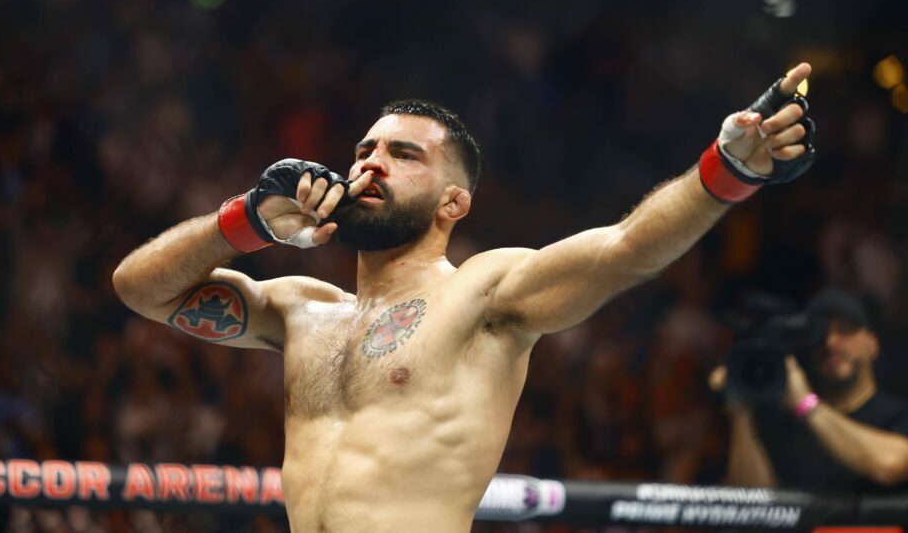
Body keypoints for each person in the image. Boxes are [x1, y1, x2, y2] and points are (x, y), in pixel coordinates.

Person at [114, 65, 816, 532]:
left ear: (455, 200)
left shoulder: (482, 293)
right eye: (364, 149)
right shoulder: (302, 308)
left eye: (404, 154)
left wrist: (724, 173)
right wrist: (246, 220)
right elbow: (139, 288)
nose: (369, 163)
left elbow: (625, 248)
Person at [712, 288, 908, 491]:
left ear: (872, 344)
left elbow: (891, 464)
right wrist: (741, 409)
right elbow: (752, 499)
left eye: (845, 330)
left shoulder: (900, 413)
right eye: (819, 333)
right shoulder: (790, 423)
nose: (830, 342)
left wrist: (808, 404)